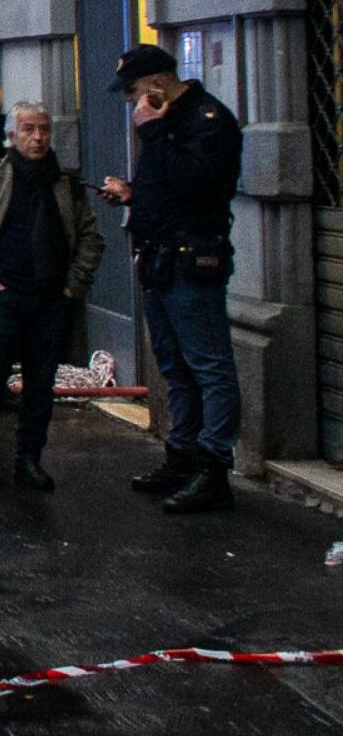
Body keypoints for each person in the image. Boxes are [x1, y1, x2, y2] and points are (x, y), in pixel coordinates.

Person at [96, 44, 244, 514]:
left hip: (191, 261)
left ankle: (215, 467)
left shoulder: (207, 121)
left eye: (134, 91)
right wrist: (133, 195)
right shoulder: (161, 123)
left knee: (209, 367)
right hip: (159, 259)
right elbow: (168, 187)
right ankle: (182, 457)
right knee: (176, 368)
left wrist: (155, 133)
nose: (130, 102)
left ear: (158, 84)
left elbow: (198, 185)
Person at [0, 102, 105, 491]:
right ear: (12, 136)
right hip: (4, 296)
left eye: (43, 130)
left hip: (51, 298)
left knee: (40, 385)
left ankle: (29, 459)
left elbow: (91, 238)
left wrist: (74, 285)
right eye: (28, 130)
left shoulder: (65, 184)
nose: (37, 138)